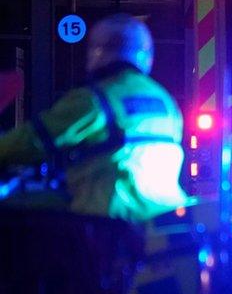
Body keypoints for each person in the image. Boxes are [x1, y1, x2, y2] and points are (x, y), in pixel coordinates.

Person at [0, 14, 188, 221]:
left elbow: (30, 140)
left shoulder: (95, 98)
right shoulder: (165, 101)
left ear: (96, 53)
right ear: (147, 55)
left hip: (108, 215)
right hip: (163, 213)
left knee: (15, 210)